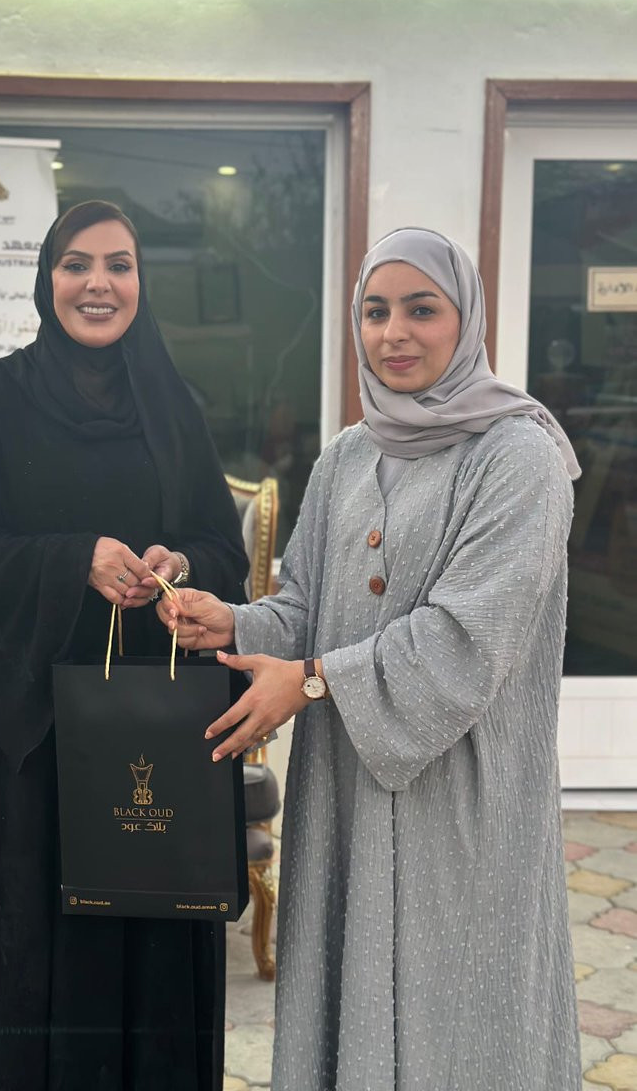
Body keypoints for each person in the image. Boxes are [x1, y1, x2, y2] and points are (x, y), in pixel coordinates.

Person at [160, 228, 582, 1091]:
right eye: (376, 311)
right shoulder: (349, 455)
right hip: (347, 791)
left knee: (456, 1010)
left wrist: (314, 680)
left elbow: (467, 638)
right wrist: (230, 622)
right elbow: (305, 606)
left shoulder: (519, 458)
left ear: (466, 319)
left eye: (422, 309)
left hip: (459, 801)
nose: (395, 333)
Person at [0, 200, 248, 1091]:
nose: (98, 284)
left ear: (143, 281)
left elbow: (223, 551)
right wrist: (76, 561)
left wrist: (180, 566)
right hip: (20, 754)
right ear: (47, 279)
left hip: (146, 732)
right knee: (20, 958)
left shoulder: (173, 410)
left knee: (144, 953)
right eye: (76, 263)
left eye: (119, 264)